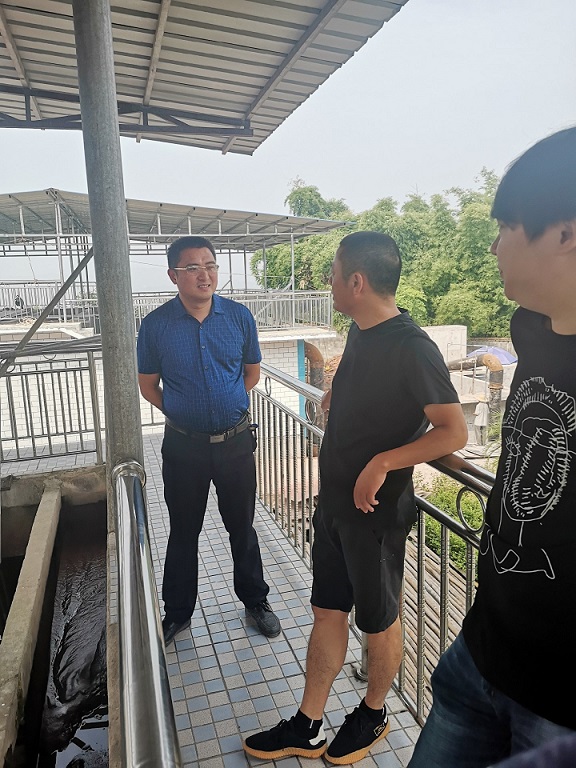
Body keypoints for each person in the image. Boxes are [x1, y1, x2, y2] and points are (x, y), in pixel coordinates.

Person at [243, 231, 468, 764]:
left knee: (379, 620)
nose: (329, 283)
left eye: (334, 274)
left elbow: (453, 432)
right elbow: (366, 390)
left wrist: (384, 461)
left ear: (357, 282)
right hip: (335, 507)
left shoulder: (414, 347)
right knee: (327, 611)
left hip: (376, 516)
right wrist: (335, 394)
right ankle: (308, 724)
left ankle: (373, 713)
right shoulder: (361, 331)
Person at [408, 127, 576, 768]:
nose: (494, 245)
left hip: (558, 709)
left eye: (506, 226)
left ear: (565, 233)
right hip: (481, 653)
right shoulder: (532, 330)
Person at [137, 235, 281, 647]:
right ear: (173, 275)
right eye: (193, 267)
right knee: (184, 530)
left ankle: (255, 601)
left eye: (211, 265)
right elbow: (148, 385)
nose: (205, 274)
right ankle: (177, 613)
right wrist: (183, 413)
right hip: (184, 448)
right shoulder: (156, 326)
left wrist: (224, 403)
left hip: (235, 443)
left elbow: (251, 373)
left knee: (242, 527)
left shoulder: (238, 317)